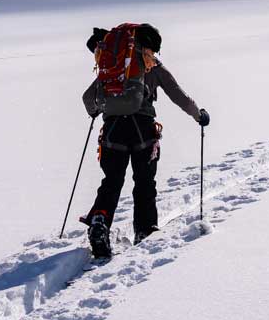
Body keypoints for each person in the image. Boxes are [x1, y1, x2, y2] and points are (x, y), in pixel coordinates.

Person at [80, 23, 208, 257]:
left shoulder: (114, 66)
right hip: (143, 131)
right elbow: (176, 93)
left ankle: (100, 220)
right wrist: (198, 114)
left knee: (112, 181)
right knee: (144, 183)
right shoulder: (152, 64)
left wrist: (97, 110)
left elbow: (88, 98)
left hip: (112, 131)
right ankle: (145, 231)